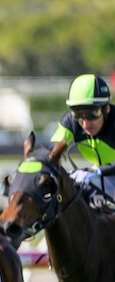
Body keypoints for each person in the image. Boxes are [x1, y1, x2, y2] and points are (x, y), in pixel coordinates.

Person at [49, 73, 115, 209]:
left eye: (92, 114)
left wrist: (94, 171)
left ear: (106, 109)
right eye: (78, 115)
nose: (85, 124)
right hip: (102, 177)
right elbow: (51, 153)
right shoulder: (70, 122)